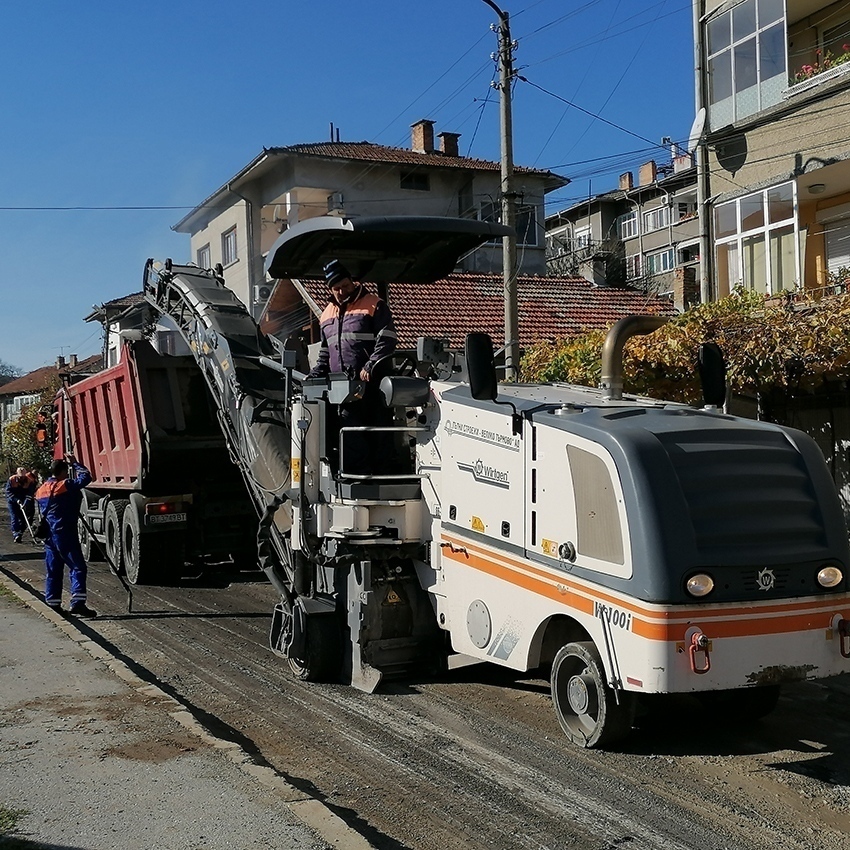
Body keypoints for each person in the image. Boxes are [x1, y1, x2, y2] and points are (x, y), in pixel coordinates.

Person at [307, 259, 398, 475]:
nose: (342, 291)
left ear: (353, 282)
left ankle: (383, 478)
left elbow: (387, 338)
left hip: (373, 385)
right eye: (336, 288)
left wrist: (371, 364)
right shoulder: (326, 314)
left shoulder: (373, 304)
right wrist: (314, 375)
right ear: (330, 289)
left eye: (345, 286)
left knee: (379, 432)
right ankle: (358, 478)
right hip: (343, 388)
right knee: (350, 433)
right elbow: (325, 351)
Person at [35, 455, 97, 617]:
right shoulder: (64, 485)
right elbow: (86, 477)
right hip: (65, 533)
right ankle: (77, 603)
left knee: (53, 570)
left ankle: (53, 603)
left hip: (49, 536)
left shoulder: (41, 490)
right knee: (78, 567)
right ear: (63, 472)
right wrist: (75, 463)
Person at [6, 466, 37, 543]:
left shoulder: (29, 481)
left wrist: (25, 503)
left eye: (23, 477)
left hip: (23, 501)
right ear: (17, 474)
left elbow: (30, 493)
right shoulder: (12, 480)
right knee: (15, 517)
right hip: (13, 502)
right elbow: (9, 492)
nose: (22, 478)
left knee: (24, 519)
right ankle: (15, 534)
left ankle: (20, 533)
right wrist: (16, 500)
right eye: (20, 477)